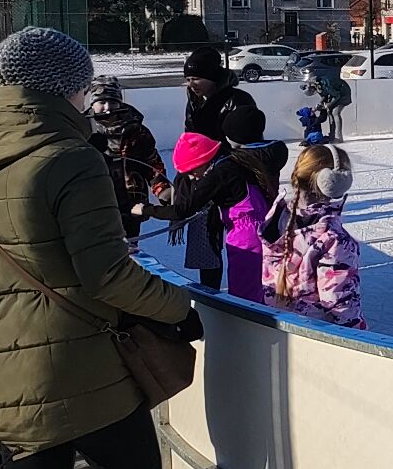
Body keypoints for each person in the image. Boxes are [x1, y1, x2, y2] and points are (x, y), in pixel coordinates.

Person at [0, 27, 197, 469]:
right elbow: (107, 274)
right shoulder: (69, 156)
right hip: (77, 369)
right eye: (81, 88)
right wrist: (180, 309)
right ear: (64, 89)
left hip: (1, 374)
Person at [137, 108, 286, 305]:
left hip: (247, 234)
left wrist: (144, 209)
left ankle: (247, 327)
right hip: (261, 226)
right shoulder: (232, 160)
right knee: (257, 285)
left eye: (191, 171)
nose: (191, 178)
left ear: (203, 161)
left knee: (245, 293)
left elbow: (183, 210)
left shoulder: (219, 173)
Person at [262, 144, 366, 328]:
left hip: (277, 327)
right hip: (316, 335)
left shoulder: (276, 218)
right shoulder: (334, 239)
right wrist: (360, 336)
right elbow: (340, 303)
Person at [180, 46, 256, 290]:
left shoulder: (238, 99)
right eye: (188, 79)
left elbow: (249, 140)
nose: (191, 84)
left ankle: (246, 293)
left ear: (213, 77)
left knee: (242, 239)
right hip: (202, 175)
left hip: (232, 179)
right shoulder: (193, 101)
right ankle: (210, 290)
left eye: (196, 78)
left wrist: (225, 166)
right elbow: (189, 138)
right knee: (206, 238)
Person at [87, 76, 171, 250]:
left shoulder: (136, 130)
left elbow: (151, 162)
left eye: (113, 101)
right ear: (92, 102)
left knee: (129, 251)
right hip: (95, 205)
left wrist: (162, 188)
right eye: (101, 102)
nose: (107, 108)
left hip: (130, 203)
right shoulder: (83, 129)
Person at [306, 70, 352, 143]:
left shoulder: (324, 84)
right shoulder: (317, 86)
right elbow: (324, 96)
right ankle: (332, 135)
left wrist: (329, 105)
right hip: (335, 94)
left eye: (312, 91)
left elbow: (337, 95)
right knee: (329, 112)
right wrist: (318, 105)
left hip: (343, 93)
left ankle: (338, 137)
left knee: (335, 113)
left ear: (312, 87)